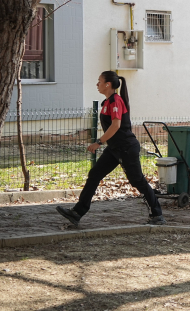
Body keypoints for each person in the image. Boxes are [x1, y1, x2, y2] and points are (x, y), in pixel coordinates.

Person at [56, 72, 165, 226]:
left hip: (126, 148)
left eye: (99, 81)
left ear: (107, 84)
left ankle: (157, 215)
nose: (97, 84)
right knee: (94, 174)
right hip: (115, 148)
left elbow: (116, 125)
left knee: (137, 181)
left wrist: (99, 142)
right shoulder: (108, 101)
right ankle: (77, 213)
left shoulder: (115, 101)